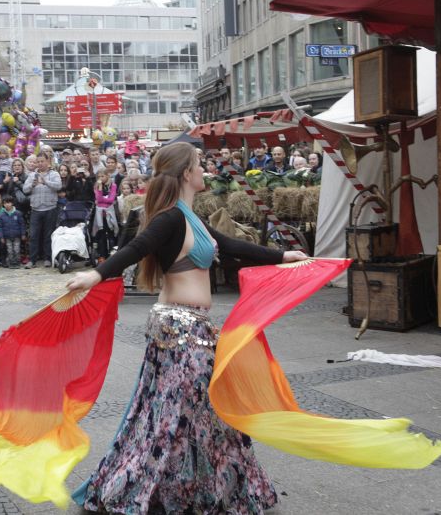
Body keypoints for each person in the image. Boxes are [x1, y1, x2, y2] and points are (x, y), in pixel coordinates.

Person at [66, 142, 307, 515]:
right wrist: (95, 275)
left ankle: (196, 489)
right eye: (199, 164)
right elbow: (137, 248)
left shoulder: (190, 217)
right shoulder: (170, 219)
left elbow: (229, 245)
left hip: (195, 327)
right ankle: (156, 489)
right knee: (179, 411)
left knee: (195, 410)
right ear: (185, 174)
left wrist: (282, 256)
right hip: (178, 329)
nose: (204, 170)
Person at [23, 151, 61, 268]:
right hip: (36, 209)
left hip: (50, 208)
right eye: (38, 162)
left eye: (42, 161)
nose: (40, 164)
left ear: (48, 161)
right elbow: (25, 189)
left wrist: (45, 181)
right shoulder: (32, 175)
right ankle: (32, 260)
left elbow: (58, 186)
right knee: (33, 235)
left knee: (48, 235)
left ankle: (48, 258)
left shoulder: (54, 174)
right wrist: (32, 185)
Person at [92, 170, 118, 262]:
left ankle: (112, 254)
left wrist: (102, 201)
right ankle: (102, 255)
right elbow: (98, 199)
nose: (100, 178)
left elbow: (111, 199)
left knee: (111, 233)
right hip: (100, 215)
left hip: (110, 213)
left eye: (102, 176)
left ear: (107, 176)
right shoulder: (96, 186)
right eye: (99, 177)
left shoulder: (113, 185)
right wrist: (99, 188)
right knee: (101, 234)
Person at [0, 195, 26, 269]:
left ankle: (17, 262)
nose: (7, 204)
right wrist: (1, 237)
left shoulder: (18, 213)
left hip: (17, 236)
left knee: (17, 249)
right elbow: (0, 227)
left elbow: (22, 224)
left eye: (8, 202)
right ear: (3, 204)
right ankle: (11, 263)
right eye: (5, 203)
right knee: (9, 250)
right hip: (7, 237)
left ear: (12, 203)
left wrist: (23, 234)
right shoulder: (2, 215)